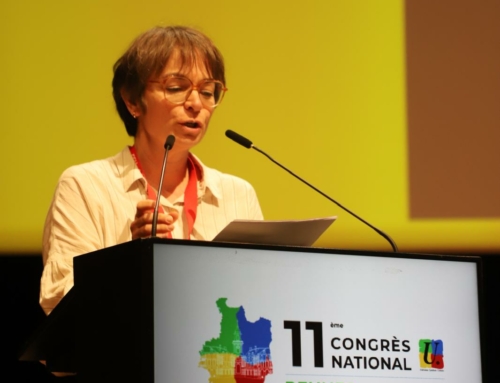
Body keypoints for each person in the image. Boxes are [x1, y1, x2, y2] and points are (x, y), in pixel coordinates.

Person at [40, 26, 263, 315]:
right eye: (176, 88)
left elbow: (259, 298)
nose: (196, 103)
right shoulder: (84, 186)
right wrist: (131, 259)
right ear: (133, 100)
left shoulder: (237, 195)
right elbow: (60, 303)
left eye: (208, 91)